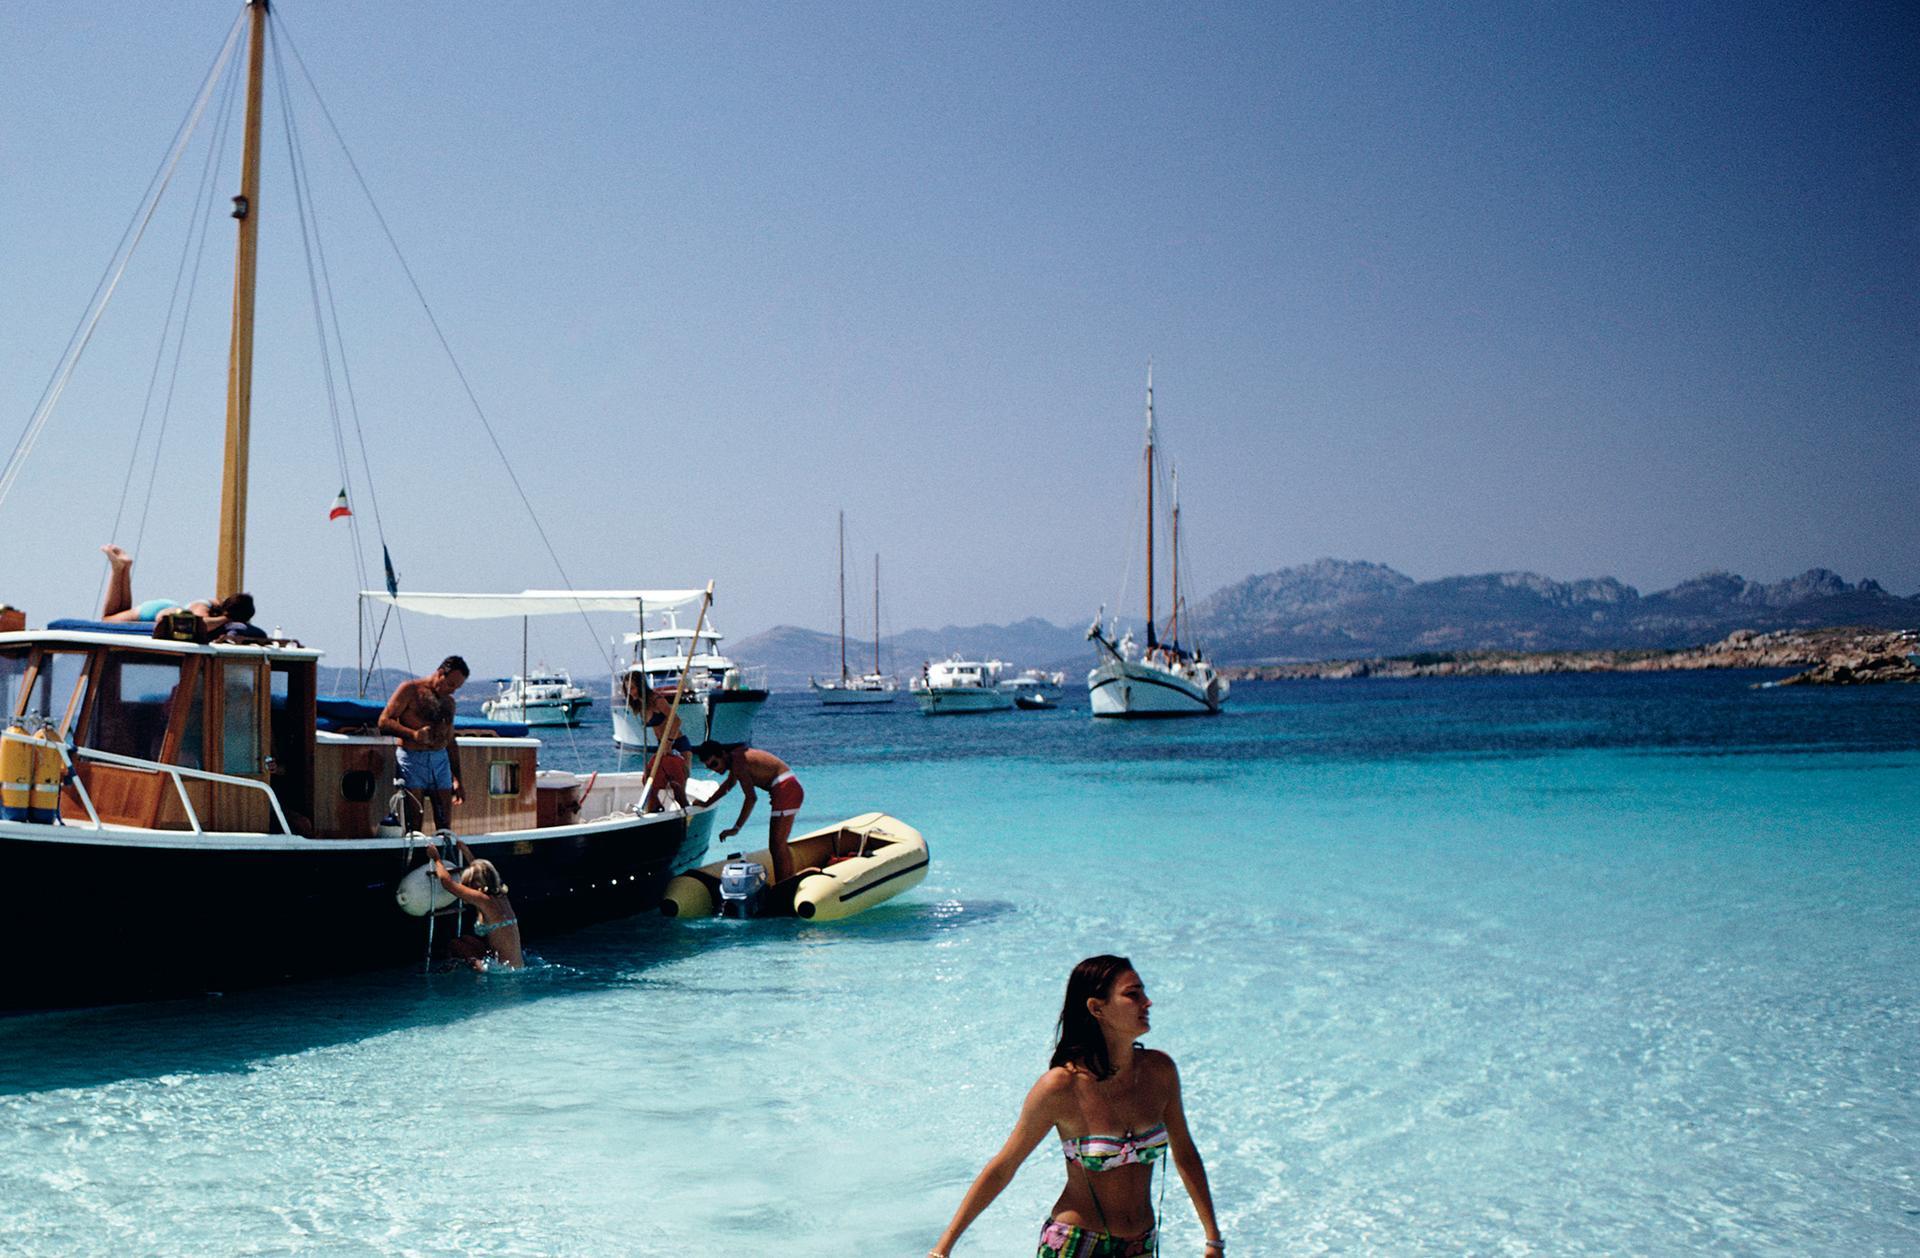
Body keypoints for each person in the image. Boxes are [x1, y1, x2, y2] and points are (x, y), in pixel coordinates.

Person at [930, 955, 1222, 1258]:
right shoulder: (1061, 1087)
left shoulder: (1160, 1072)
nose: (1147, 1002)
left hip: (1140, 1245)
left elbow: (1186, 1155)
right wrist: (943, 1248)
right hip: (1076, 1244)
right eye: (1132, 994)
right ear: (1097, 1008)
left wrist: (1213, 1239)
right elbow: (1004, 1166)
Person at [694, 740, 809, 883]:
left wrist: (736, 828)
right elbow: (729, 785)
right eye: (709, 767)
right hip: (786, 788)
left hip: (785, 789)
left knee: (777, 845)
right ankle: (788, 882)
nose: (714, 769)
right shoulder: (735, 758)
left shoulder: (738, 763)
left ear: (723, 754)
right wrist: (707, 803)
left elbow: (751, 798)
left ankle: (784, 887)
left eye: (714, 764)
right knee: (778, 845)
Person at [378, 656, 469, 832]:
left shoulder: (449, 702)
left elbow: (450, 740)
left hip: (440, 760)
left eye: (456, 688)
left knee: (444, 822)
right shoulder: (409, 690)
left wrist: (458, 779)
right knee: (414, 821)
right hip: (413, 759)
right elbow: (384, 722)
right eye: (450, 684)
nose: (452, 691)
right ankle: (416, 856)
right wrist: (413, 734)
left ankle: (442, 856)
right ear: (440, 674)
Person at [98, 543, 255, 635]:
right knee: (107, 620)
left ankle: (123, 568)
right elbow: (200, 623)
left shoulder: (214, 603)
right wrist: (227, 619)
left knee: (118, 613)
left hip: (163, 609)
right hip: (155, 612)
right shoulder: (204, 610)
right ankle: (119, 570)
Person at [423, 839, 523, 970]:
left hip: (501, 971)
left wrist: (436, 858)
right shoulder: (501, 894)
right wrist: (466, 851)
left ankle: (448, 973)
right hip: (516, 966)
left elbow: (447, 884)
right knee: (464, 940)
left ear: (475, 885)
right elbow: (482, 872)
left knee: (455, 945)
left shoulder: (483, 899)